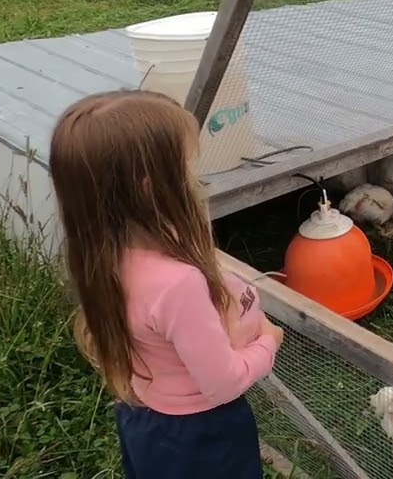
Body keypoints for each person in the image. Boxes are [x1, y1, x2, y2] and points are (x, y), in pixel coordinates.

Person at [51, 89, 285, 478]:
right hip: (202, 436)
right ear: (150, 188)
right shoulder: (178, 284)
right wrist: (268, 343)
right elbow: (223, 383)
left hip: (146, 419)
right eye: (186, 168)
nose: (195, 179)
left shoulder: (101, 253)